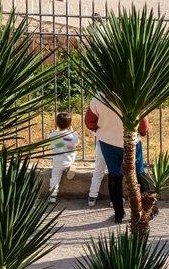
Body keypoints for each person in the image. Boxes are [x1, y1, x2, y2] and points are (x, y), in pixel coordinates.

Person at [85, 92, 148, 223]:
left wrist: (102, 130)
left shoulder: (99, 97)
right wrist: (140, 132)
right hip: (132, 142)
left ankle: (119, 213)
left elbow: (89, 122)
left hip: (108, 143)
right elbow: (143, 127)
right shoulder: (134, 94)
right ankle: (147, 208)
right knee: (139, 173)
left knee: (114, 176)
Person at [47, 111, 79, 203]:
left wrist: (52, 134)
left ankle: (53, 196)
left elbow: (51, 143)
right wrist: (73, 132)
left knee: (55, 178)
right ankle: (69, 168)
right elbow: (75, 143)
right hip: (69, 159)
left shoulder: (53, 135)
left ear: (56, 123)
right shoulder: (72, 135)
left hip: (57, 161)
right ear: (70, 124)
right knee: (73, 150)